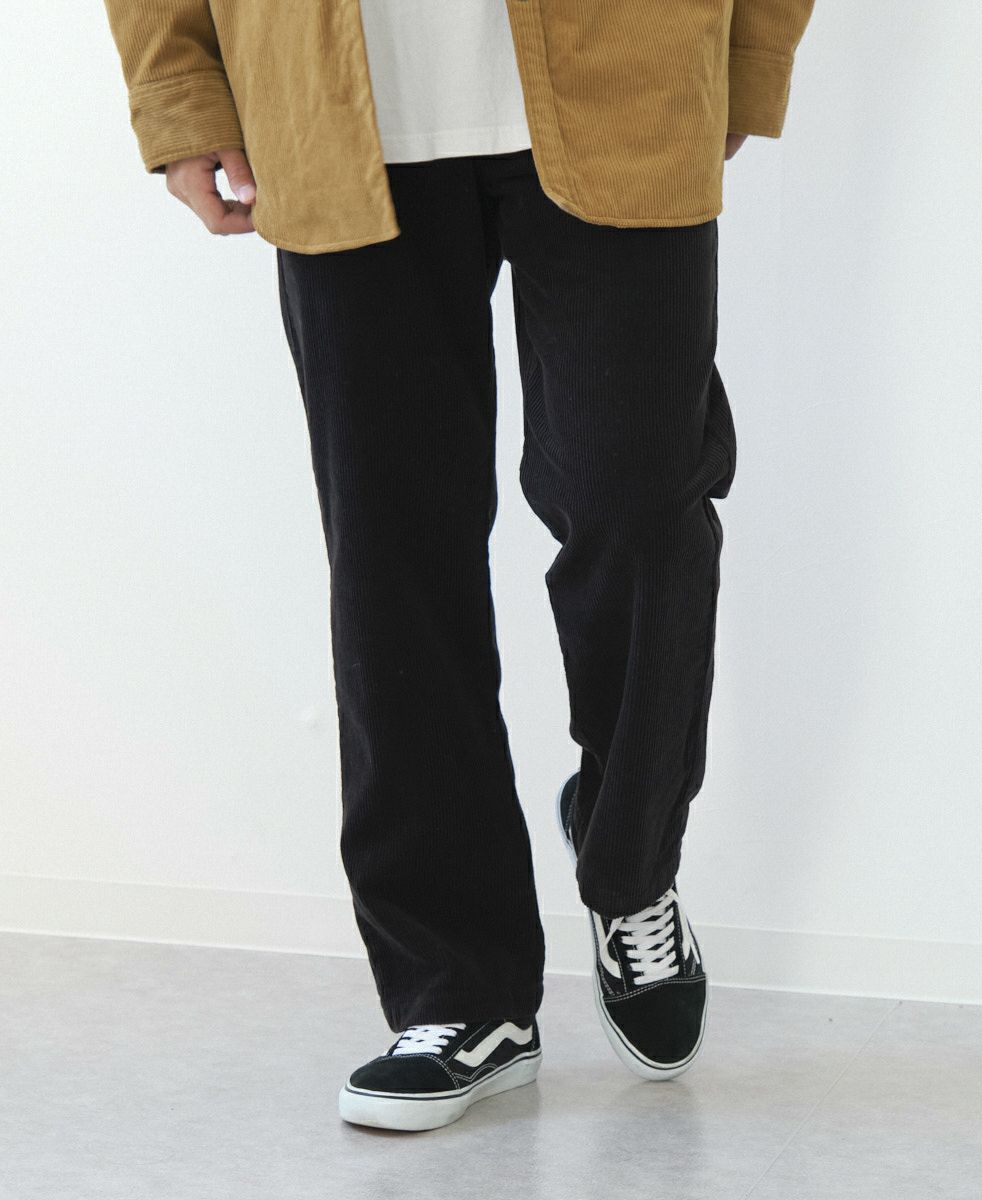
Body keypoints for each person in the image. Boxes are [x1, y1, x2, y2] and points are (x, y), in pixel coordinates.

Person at [101, 0, 815, 1132]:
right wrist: (179, 91)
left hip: (630, 69)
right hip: (328, 99)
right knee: (393, 553)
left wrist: (751, 54)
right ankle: (458, 991)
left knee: (637, 504)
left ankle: (630, 859)